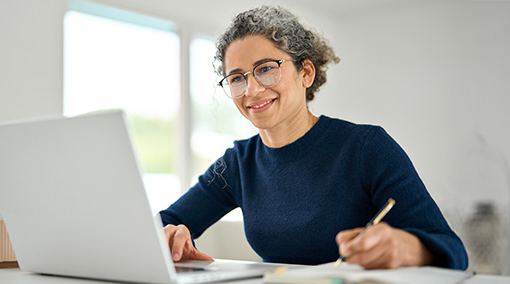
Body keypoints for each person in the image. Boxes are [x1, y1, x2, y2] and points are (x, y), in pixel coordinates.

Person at [159, 5, 468, 270]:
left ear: (306, 73)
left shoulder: (367, 148)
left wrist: (408, 248)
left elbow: (454, 251)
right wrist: (172, 239)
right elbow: (162, 224)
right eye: (237, 78)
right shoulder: (237, 164)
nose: (251, 90)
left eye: (266, 69)